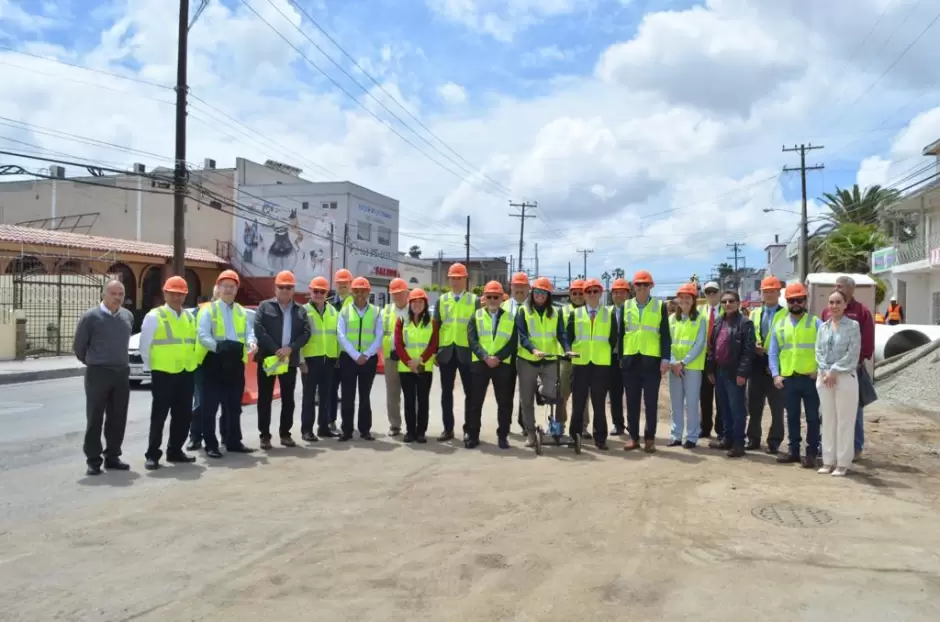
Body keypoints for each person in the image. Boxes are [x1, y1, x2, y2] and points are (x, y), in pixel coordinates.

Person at [74, 279, 134, 475]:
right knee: (95, 417)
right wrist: (94, 361)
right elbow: (79, 347)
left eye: (121, 294)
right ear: (103, 294)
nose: (117, 297)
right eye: (113, 293)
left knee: (118, 417)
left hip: (121, 373)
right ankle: (93, 459)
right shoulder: (90, 317)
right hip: (98, 373)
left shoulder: (127, 316)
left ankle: (113, 456)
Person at [139, 276, 198, 470]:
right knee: (159, 416)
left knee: (183, 416)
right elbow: (144, 346)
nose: (176, 297)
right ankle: (152, 455)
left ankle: (175, 451)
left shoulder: (189, 317)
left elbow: (193, 343)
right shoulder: (154, 316)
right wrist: (150, 369)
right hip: (163, 373)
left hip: (186, 372)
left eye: (180, 294)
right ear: (165, 293)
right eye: (173, 293)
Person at [196, 270, 256, 458]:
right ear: (218, 288)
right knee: (210, 406)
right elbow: (203, 335)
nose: (228, 290)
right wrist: (219, 349)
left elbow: (249, 332)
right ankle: (211, 445)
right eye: (225, 286)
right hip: (214, 361)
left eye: (232, 286)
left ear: (237, 289)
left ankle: (233, 441)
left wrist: (252, 342)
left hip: (235, 362)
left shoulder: (241, 311)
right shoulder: (209, 310)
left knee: (233, 406)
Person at [253, 270, 312, 450]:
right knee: (265, 398)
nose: (285, 290)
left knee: (288, 399)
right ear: (275, 288)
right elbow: (258, 329)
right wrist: (275, 349)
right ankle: (264, 436)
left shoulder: (300, 310)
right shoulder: (264, 306)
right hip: (268, 359)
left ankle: (285, 434)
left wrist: (290, 348)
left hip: (289, 360)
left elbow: (306, 333)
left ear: (293, 290)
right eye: (281, 287)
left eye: (288, 287)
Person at [821, 275, 874, 460]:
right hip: (827, 372)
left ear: (852, 289)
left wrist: (855, 362)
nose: (838, 288)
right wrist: (827, 369)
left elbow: (866, 342)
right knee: (829, 413)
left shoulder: (862, 312)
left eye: (841, 286)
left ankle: (855, 448)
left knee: (853, 411)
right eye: (835, 286)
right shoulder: (827, 313)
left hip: (851, 369)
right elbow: (821, 343)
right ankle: (832, 450)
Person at [769, 282, 821, 468]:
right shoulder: (780, 325)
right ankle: (793, 452)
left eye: (799, 299)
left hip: (810, 379)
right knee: (791, 416)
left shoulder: (815, 323)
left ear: (805, 301)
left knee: (813, 417)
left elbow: (824, 350)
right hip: (788, 379)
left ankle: (812, 453)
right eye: (792, 300)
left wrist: (819, 371)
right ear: (788, 302)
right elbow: (773, 353)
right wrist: (776, 375)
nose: (796, 303)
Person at [514, 277, 570, 448]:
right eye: (537, 292)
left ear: (548, 295)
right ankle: (531, 433)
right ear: (532, 293)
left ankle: (541, 390)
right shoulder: (523, 311)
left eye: (544, 293)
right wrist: (533, 349)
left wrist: (567, 349)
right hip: (528, 360)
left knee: (551, 392)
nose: (540, 296)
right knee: (526, 399)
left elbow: (562, 334)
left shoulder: (555, 313)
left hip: (550, 359)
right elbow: (522, 335)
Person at [621, 270, 671, 453]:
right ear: (634, 287)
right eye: (638, 285)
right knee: (632, 402)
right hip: (631, 360)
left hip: (651, 361)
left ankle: (650, 438)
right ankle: (633, 437)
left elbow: (665, 335)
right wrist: (621, 358)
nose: (641, 288)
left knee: (651, 403)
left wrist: (666, 358)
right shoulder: (626, 306)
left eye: (645, 285)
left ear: (651, 287)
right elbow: (621, 334)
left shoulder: (659, 306)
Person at [467, 281, 519, 449]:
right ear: (484, 298)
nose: (492, 300)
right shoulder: (476, 315)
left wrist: (498, 358)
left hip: (502, 365)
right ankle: (473, 435)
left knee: (504, 403)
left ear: (502, 298)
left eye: (496, 297)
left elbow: (513, 342)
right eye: (489, 296)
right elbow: (472, 340)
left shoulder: (511, 318)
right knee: (475, 402)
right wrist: (484, 357)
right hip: (480, 364)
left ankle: (503, 436)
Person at [815, 289, 861, 477]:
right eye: (831, 302)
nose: (834, 306)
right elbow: (818, 351)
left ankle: (842, 463)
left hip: (844, 377)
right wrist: (826, 370)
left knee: (844, 421)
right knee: (827, 420)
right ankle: (828, 461)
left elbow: (853, 353)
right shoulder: (823, 327)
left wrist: (834, 370)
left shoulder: (853, 326)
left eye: (838, 302)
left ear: (845, 304)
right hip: (825, 377)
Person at [567, 278, 616, 451]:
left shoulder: (609, 314)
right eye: (589, 291)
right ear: (584, 295)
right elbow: (568, 336)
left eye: (596, 291)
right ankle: (575, 435)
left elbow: (613, 337)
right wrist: (568, 350)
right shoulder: (576, 314)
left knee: (599, 403)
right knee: (578, 402)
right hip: (580, 362)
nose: (592, 294)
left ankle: (600, 438)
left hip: (601, 364)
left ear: (601, 294)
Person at [705, 290, 755, 458]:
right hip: (719, 372)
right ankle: (727, 439)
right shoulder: (719, 322)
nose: (727, 304)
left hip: (735, 374)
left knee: (737, 409)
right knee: (724, 407)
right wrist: (710, 369)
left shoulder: (745, 323)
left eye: (731, 301)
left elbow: (748, 351)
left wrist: (742, 373)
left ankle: (738, 443)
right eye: (724, 301)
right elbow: (712, 347)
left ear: (738, 303)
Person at [433, 263, 478, 441]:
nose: (456, 281)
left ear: (465, 279)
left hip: (466, 352)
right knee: (446, 393)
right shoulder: (442, 300)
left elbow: (478, 328)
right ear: (448, 279)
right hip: (446, 352)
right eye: (453, 278)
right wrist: (435, 351)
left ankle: (469, 428)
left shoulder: (474, 300)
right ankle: (448, 428)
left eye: (459, 278)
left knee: (470, 393)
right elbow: (436, 327)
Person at [336, 276, 382, 441]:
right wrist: (355, 355)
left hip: (368, 360)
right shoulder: (345, 311)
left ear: (369, 292)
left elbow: (379, 336)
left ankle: (365, 430)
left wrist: (367, 355)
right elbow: (341, 335)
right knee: (347, 395)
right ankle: (347, 430)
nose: (360, 294)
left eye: (363, 291)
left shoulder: (376, 312)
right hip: (349, 359)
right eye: (356, 291)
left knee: (365, 395)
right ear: (351, 292)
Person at [746, 276, 787, 454]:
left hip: (776, 365)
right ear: (761, 293)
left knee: (777, 408)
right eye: (766, 291)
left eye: (772, 291)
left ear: (779, 293)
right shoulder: (754, 313)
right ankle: (753, 439)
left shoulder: (786, 314)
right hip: (756, 364)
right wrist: (753, 345)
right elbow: (749, 335)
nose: (769, 294)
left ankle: (774, 441)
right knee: (754, 406)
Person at [394, 288, 438, 443]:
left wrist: (419, 360)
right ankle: (410, 431)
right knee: (409, 401)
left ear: (425, 304)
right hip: (406, 368)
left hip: (424, 367)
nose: (417, 305)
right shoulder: (401, 321)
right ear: (410, 303)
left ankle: (421, 432)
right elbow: (398, 344)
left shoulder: (431, 321)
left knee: (423, 400)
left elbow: (434, 344)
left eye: (420, 302)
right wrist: (409, 362)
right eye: (414, 302)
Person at [299, 276, 339, 442]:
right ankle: (306, 430)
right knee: (309, 397)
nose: (318, 294)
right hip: (310, 360)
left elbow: (337, 336)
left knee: (326, 395)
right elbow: (298, 336)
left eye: (322, 291)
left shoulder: (332, 312)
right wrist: (301, 361)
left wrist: (336, 356)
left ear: (326, 293)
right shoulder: (303, 311)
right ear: (311, 292)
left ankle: (323, 427)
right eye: (315, 291)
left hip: (328, 359)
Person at [668, 283, 706, 448]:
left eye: (688, 297)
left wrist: (683, 362)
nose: (684, 300)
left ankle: (691, 437)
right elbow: (667, 343)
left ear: (693, 300)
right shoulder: (671, 320)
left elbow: (699, 344)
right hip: (674, 367)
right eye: (681, 297)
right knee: (675, 403)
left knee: (690, 403)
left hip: (692, 367)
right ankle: (676, 436)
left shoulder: (700, 319)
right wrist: (673, 362)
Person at [187, 285, 221, 451]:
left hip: (224, 363)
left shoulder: (233, 311)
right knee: (200, 402)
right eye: (218, 293)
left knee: (226, 404)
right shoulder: (200, 311)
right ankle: (195, 437)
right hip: (202, 362)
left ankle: (227, 438)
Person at [381, 278, 410, 436]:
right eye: (394, 294)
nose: (398, 296)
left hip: (409, 357)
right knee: (392, 393)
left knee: (411, 393)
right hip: (391, 357)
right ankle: (395, 425)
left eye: (400, 293)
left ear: (407, 293)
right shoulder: (385, 311)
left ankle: (413, 424)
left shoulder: (413, 309)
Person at [328, 268, 355, 434]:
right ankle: (331, 421)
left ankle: (347, 424)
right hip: (332, 355)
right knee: (331, 391)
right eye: (339, 283)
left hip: (349, 355)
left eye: (345, 284)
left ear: (350, 285)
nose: (342, 286)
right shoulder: (329, 303)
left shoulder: (355, 304)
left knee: (348, 392)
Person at [560, 279, 587, 435]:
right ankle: (560, 425)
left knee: (583, 396)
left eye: (580, 293)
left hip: (584, 359)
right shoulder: (563, 311)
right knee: (562, 394)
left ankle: (582, 427)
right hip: (566, 359)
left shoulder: (590, 311)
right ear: (570, 294)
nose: (577, 296)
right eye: (574, 293)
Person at [697, 281, 724, 440]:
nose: (711, 295)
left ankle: (721, 429)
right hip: (704, 358)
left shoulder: (725, 309)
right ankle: (705, 427)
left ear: (719, 293)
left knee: (721, 397)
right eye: (708, 292)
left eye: (714, 292)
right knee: (705, 396)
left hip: (720, 358)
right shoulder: (700, 311)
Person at [504, 272, 529, 433]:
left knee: (526, 392)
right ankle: (505, 424)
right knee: (506, 391)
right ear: (511, 288)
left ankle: (525, 423)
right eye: (516, 286)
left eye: (522, 286)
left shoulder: (534, 307)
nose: (519, 289)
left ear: (528, 288)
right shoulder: (503, 306)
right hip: (507, 355)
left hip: (527, 355)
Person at [608, 278, 631, 436]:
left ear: (628, 294)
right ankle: (618, 424)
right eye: (616, 292)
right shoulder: (606, 312)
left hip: (629, 358)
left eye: (622, 292)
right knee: (615, 394)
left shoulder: (633, 311)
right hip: (612, 357)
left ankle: (632, 425)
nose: (619, 295)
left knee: (631, 394)